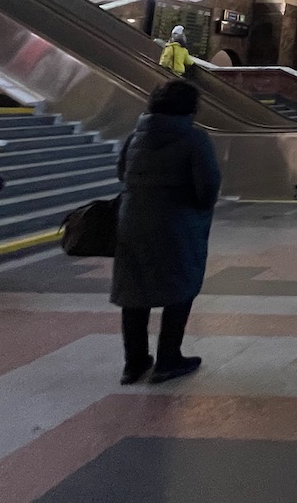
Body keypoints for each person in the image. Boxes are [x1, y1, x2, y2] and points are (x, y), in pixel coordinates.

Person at [110, 80, 220, 385]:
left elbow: (121, 173)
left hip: (132, 221)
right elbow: (208, 186)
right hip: (177, 222)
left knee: (135, 290)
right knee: (180, 287)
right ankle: (168, 358)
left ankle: (134, 363)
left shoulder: (136, 136)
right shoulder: (193, 138)